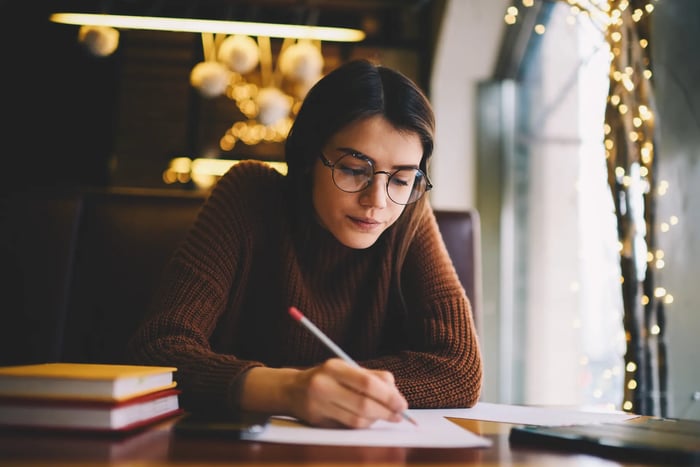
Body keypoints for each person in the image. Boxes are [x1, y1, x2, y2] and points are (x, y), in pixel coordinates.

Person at [126, 58, 483, 429]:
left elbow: (458, 370)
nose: (377, 200)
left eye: (401, 179)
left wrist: (309, 386)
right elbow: (158, 350)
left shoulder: (408, 212)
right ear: (309, 157)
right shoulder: (250, 194)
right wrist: (290, 390)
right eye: (353, 169)